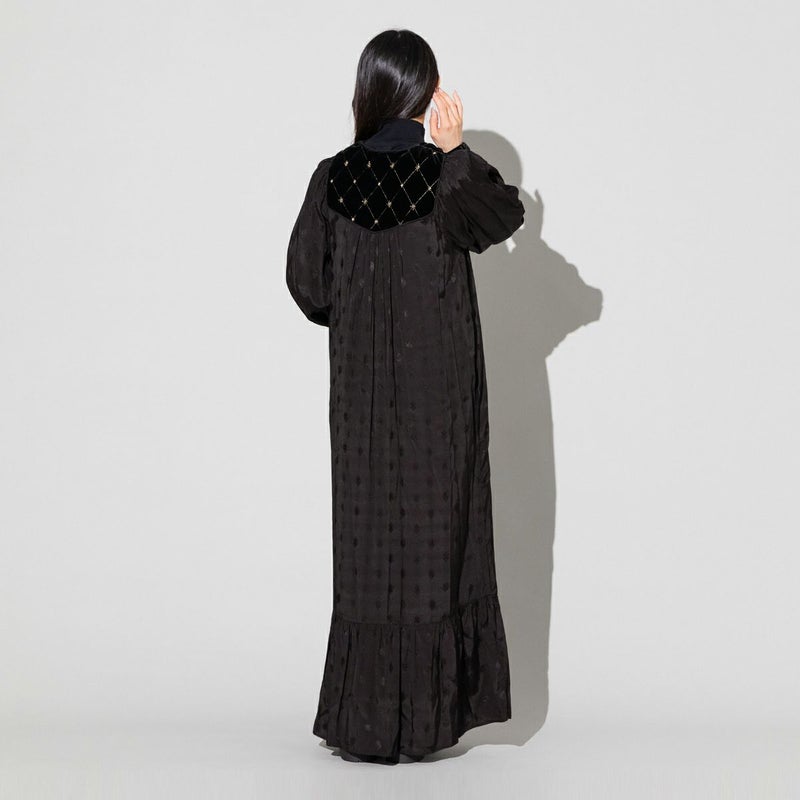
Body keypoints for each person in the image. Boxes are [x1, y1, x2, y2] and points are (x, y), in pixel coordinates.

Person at [286, 28, 525, 765]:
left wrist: (361, 313)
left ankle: (365, 722)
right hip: (439, 403)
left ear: (368, 89)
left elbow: (309, 285)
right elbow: (503, 218)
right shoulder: (446, 177)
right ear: (425, 92)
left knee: (367, 552)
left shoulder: (331, 179)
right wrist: (454, 153)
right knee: (438, 546)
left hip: (361, 407)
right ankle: (430, 719)